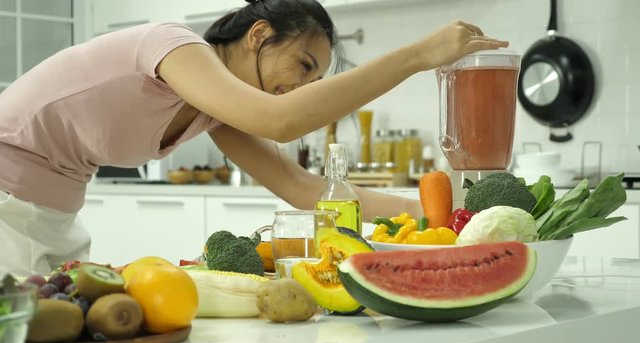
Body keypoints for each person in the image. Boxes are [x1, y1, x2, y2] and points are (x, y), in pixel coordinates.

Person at [0, 0, 508, 276]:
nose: (302, 87)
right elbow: (282, 120)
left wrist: (449, 216)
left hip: (48, 217)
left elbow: (302, 188)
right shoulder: (171, 44)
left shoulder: (213, 111)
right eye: (303, 66)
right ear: (259, 35)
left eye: (313, 79)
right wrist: (418, 56)